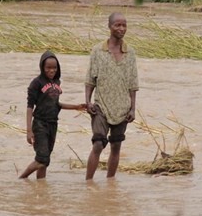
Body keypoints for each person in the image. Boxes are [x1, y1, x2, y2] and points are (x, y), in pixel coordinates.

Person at [85, 12, 139, 180]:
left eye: (124, 25)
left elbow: (133, 84)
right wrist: (87, 102)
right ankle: (89, 183)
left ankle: (110, 182)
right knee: (98, 144)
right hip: (101, 106)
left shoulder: (130, 53)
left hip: (122, 108)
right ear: (109, 27)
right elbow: (90, 80)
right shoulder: (98, 51)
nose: (121, 28)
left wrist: (132, 109)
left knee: (116, 146)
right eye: (117, 25)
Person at [20, 51, 86, 179]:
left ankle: (41, 185)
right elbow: (29, 107)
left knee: (45, 160)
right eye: (48, 68)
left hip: (53, 124)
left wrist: (76, 107)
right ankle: (22, 179)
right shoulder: (36, 83)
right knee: (42, 159)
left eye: (54, 68)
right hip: (40, 124)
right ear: (42, 68)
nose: (51, 70)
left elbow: (56, 104)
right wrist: (29, 131)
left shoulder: (57, 82)